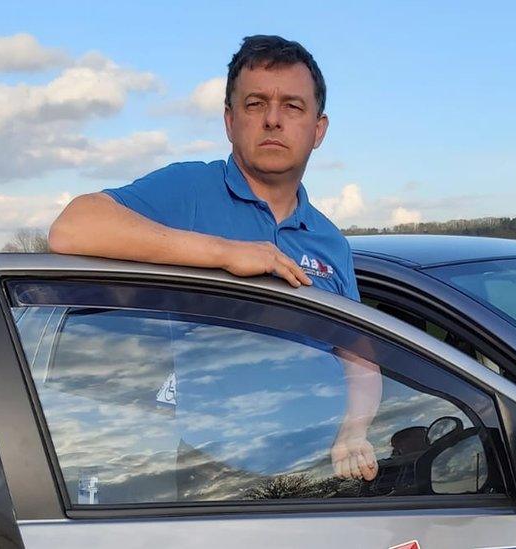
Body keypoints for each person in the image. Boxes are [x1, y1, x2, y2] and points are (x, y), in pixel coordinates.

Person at [49, 35, 380, 481]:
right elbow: (72, 228)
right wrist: (223, 253)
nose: (273, 120)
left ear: (318, 130)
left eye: (293, 107)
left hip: (320, 472)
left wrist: (354, 432)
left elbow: (359, 356)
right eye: (255, 104)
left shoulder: (329, 241)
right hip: (215, 476)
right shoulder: (189, 191)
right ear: (230, 121)